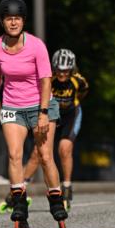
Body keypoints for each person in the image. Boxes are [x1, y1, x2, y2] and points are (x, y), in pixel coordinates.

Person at [0, 0, 68, 228]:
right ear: (2, 22)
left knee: (44, 156)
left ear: (23, 21)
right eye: (8, 19)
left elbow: (45, 81)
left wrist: (43, 113)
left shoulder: (36, 45)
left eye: (17, 19)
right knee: (14, 155)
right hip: (12, 106)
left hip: (41, 105)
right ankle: (20, 206)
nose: (13, 23)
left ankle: (55, 199)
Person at [23, 48, 89, 207]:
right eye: (59, 70)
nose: (62, 74)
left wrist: (69, 104)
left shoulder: (78, 81)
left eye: (66, 71)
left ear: (72, 69)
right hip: (50, 115)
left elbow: (83, 93)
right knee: (37, 152)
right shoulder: (48, 79)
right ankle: (21, 187)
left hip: (70, 115)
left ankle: (66, 186)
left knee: (64, 149)